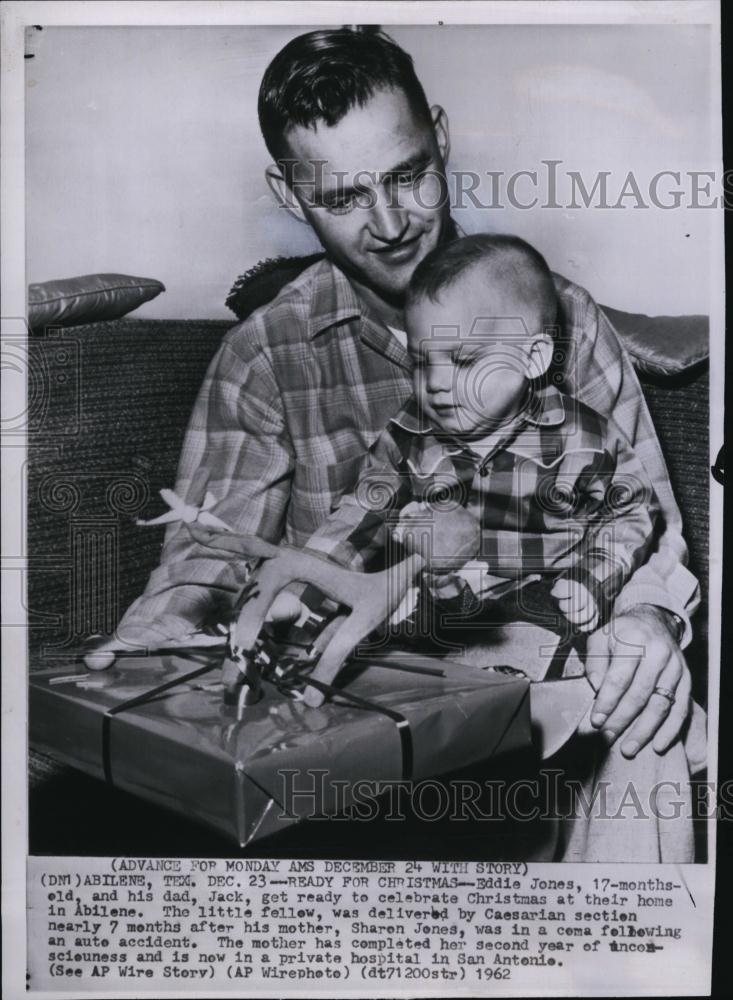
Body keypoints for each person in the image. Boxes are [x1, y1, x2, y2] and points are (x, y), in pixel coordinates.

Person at [91, 26, 699, 768]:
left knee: (648, 718)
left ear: (439, 137)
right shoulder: (264, 354)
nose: (389, 225)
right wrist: (160, 635)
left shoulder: (564, 317)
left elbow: (647, 520)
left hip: (547, 665)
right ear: (290, 194)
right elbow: (206, 559)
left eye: (408, 175)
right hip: (359, 707)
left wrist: (645, 618)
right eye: (344, 196)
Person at [280, 233, 661, 645]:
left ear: (532, 358)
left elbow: (631, 512)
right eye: (421, 361)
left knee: (560, 638)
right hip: (434, 600)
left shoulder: (584, 438)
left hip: (542, 599)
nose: (436, 383)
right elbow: (358, 516)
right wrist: (304, 588)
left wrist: (594, 577)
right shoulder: (409, 432)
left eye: (463, 360)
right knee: (369, 627)